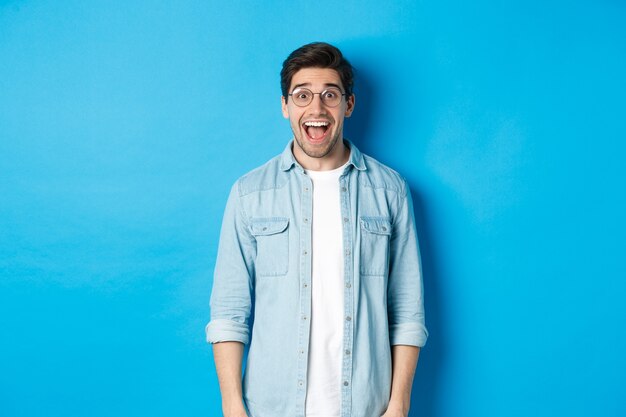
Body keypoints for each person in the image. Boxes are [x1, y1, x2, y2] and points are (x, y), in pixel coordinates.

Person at [205, 42, 428, 417]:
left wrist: (398, 406)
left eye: (330, 95)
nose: (316, 108)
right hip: (271, 407)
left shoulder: (390, 191)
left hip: (365, 406)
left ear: (349, 105)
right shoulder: (250, 193)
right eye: (303, 95)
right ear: (285, 106)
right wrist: (232, 406)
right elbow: (229, 311)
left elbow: (407, 310)